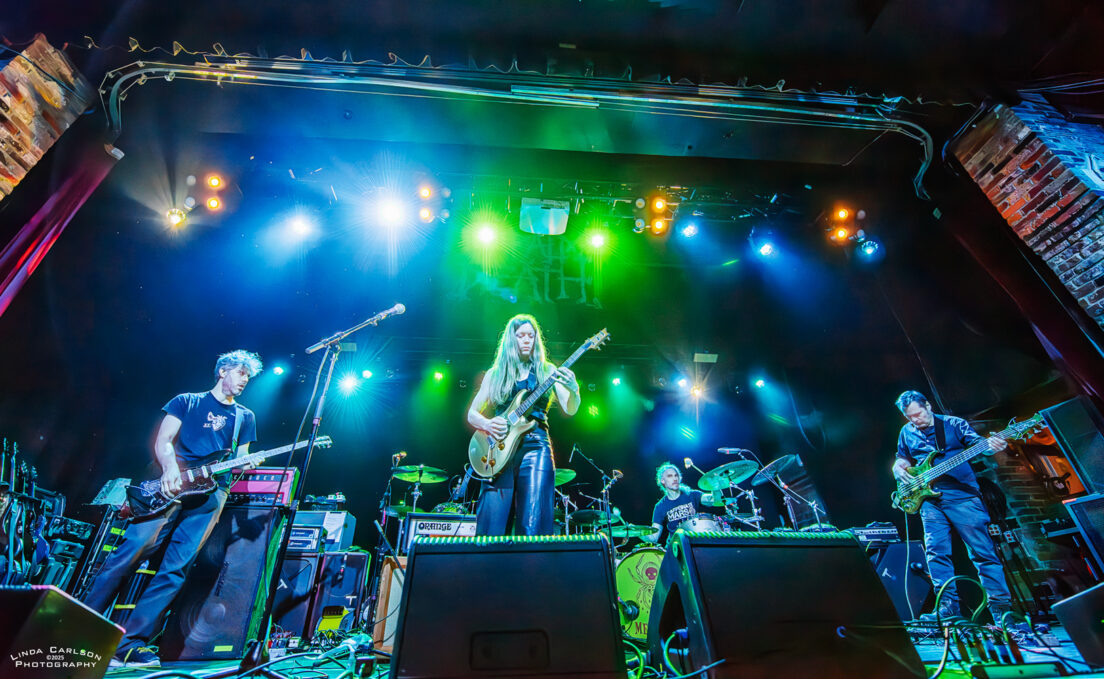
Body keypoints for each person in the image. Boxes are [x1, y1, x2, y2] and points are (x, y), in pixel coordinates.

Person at [83, 350, 262, 669]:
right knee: (132, 550)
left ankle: (130, 644)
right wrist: (169, 469)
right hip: (170, 484)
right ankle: (79, 626)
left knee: (176, 567)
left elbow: (239, 459)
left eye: (248, 375)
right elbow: (163, 440)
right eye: (240, 372)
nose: (245, 379)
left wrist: (247, 463)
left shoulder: (245, 417)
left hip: (211, 494)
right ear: (222, 371)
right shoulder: (187, 401)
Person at [892, 390, 1014, 623]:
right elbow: (902, 457)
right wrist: (897, 467)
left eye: (918, 414)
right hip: (929, 500)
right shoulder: (907, 432)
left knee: (982, 553)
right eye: (910, 417)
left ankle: (1001, 611)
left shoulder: (953, 424)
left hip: (963, 497)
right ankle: (948, 610)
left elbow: (980, 445)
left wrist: (992, 446)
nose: (915, 420)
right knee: (936, 552)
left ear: (928, 406)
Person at [467, 314, 580, 536]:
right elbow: (472, 414)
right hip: (498, 449)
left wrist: (574, 389)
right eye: (521, 335)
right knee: (491, 525)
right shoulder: (495, 374)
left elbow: (570, 408)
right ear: (511, 339)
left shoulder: (547, 370)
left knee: (533, 522)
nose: (527, 339)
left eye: (531, 335)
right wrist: (488, 424)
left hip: (535, 446)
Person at [643, 463, 712, 545]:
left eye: (676, 475)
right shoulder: (660, 506)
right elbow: (654, 538)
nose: (675, 478)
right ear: (663, 481)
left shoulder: (692, 494)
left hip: (695, 542)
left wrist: (716, 486)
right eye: (670, 476)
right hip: (675, 547)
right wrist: (636, 532)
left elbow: (713, 500)